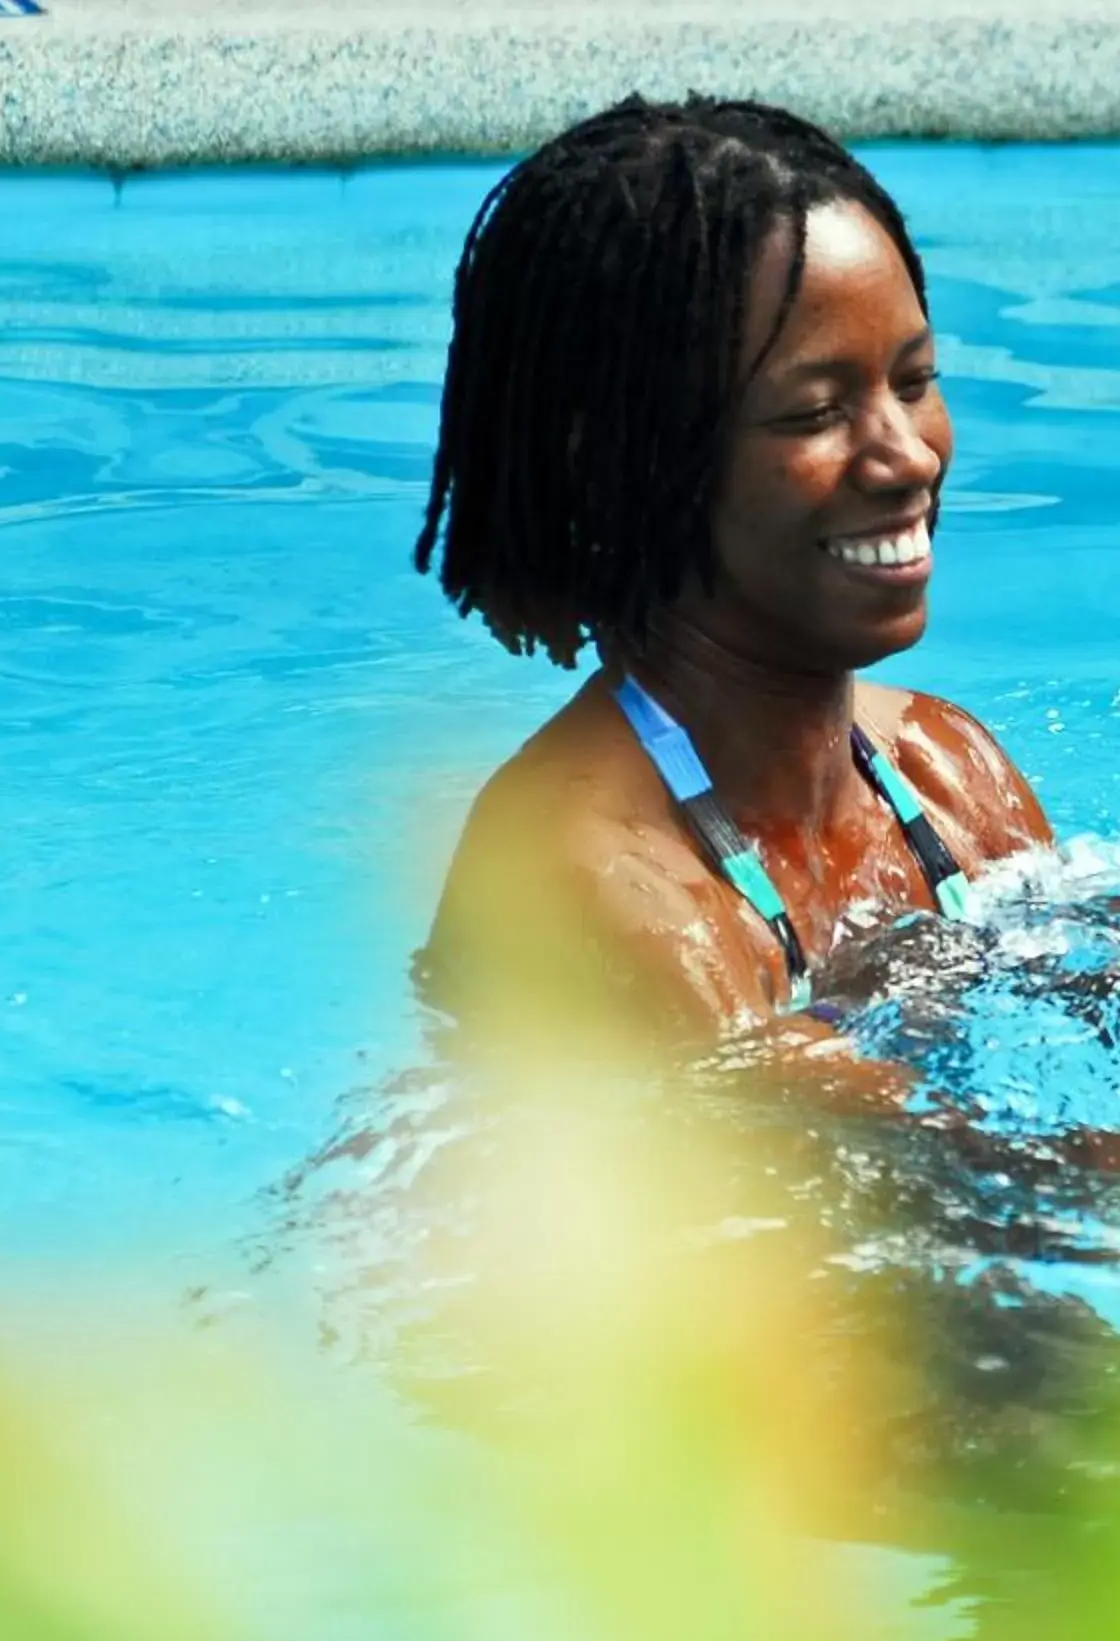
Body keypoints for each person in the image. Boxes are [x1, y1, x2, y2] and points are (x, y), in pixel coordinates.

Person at [411, 96, 1051, 1088]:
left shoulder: (944, 768)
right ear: (621, 460)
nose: (907, 456)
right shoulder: (594, 884)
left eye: (914, 381)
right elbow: (1011, 1210)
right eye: (817, 411)